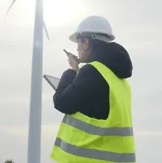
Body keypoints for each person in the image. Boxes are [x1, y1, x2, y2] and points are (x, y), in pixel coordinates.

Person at [50, 15, 136, 163]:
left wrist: (72, 71)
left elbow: (61, 102)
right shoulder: (120, 80)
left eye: (78, 42)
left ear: (86, 42)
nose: (76, 48)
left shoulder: (91, 72)